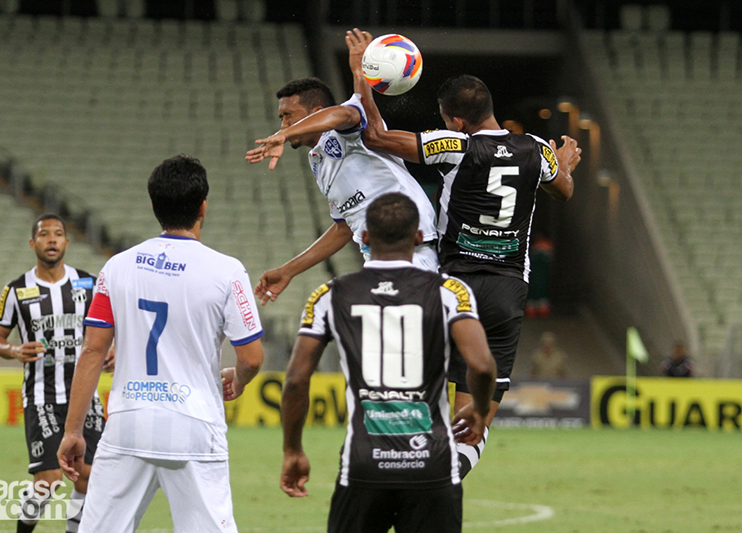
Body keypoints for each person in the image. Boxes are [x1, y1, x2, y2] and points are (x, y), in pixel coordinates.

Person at [346, 28, 581, 476]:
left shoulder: (456, 147)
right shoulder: (536, 150)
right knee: (474, 420)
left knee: (413, 384)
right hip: (508, 292)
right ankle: (446, 479)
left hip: (456, 288)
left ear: (455, 121)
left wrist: (361, 71)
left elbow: (375, 136)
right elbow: (564, 190)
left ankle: (396, 463)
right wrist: (564, 163)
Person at [57, 155, 264, 533]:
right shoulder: (227, 270)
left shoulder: (116, 267)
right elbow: (251, 357)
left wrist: (73, 431)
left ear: (154, 205)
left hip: (128, 421)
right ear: (203, 207)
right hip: (194, 424)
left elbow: (93, 350)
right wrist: (239, 378)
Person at [280, 192, 496, 533]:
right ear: (419, 237)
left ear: (364, 236)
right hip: (432, 465)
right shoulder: (450, 292)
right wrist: (480, 410)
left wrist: (293, 450)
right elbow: (482, 366)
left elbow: (295, 380)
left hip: (364, 466)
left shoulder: (330, 295)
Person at [244, 76, 439, 306]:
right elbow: (343, 228)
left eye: (288, 115)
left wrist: (284, 135)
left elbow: (344, 115)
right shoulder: (318, 161)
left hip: (411, 253)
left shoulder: (347, 131)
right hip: (377, 261)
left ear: (317, 112)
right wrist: (288, 270)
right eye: (281, 118)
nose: (284, 125)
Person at [0, 213, 107, 533]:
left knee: (89, 475)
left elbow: (109, 328)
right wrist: (14, 350)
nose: (51, 239)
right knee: (49, 480)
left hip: (85, 395)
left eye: (57, 233)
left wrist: (112, 349)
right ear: (33, 243)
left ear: (66, 242)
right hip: (42, 395)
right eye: (44, 234)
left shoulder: (89, 284)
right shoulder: (16, 290)